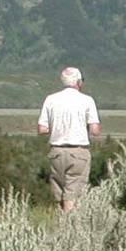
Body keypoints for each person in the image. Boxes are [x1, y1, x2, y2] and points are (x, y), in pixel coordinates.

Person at [38, 66, 101, 211]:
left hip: (56, 152)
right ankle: (69, 229)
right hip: (78, 151)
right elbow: (95, 130)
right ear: (79, 82)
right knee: (73, 194)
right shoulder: (87, 100)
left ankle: (61, 225)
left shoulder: (50, 99)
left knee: (59, 195)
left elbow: (42, 129)